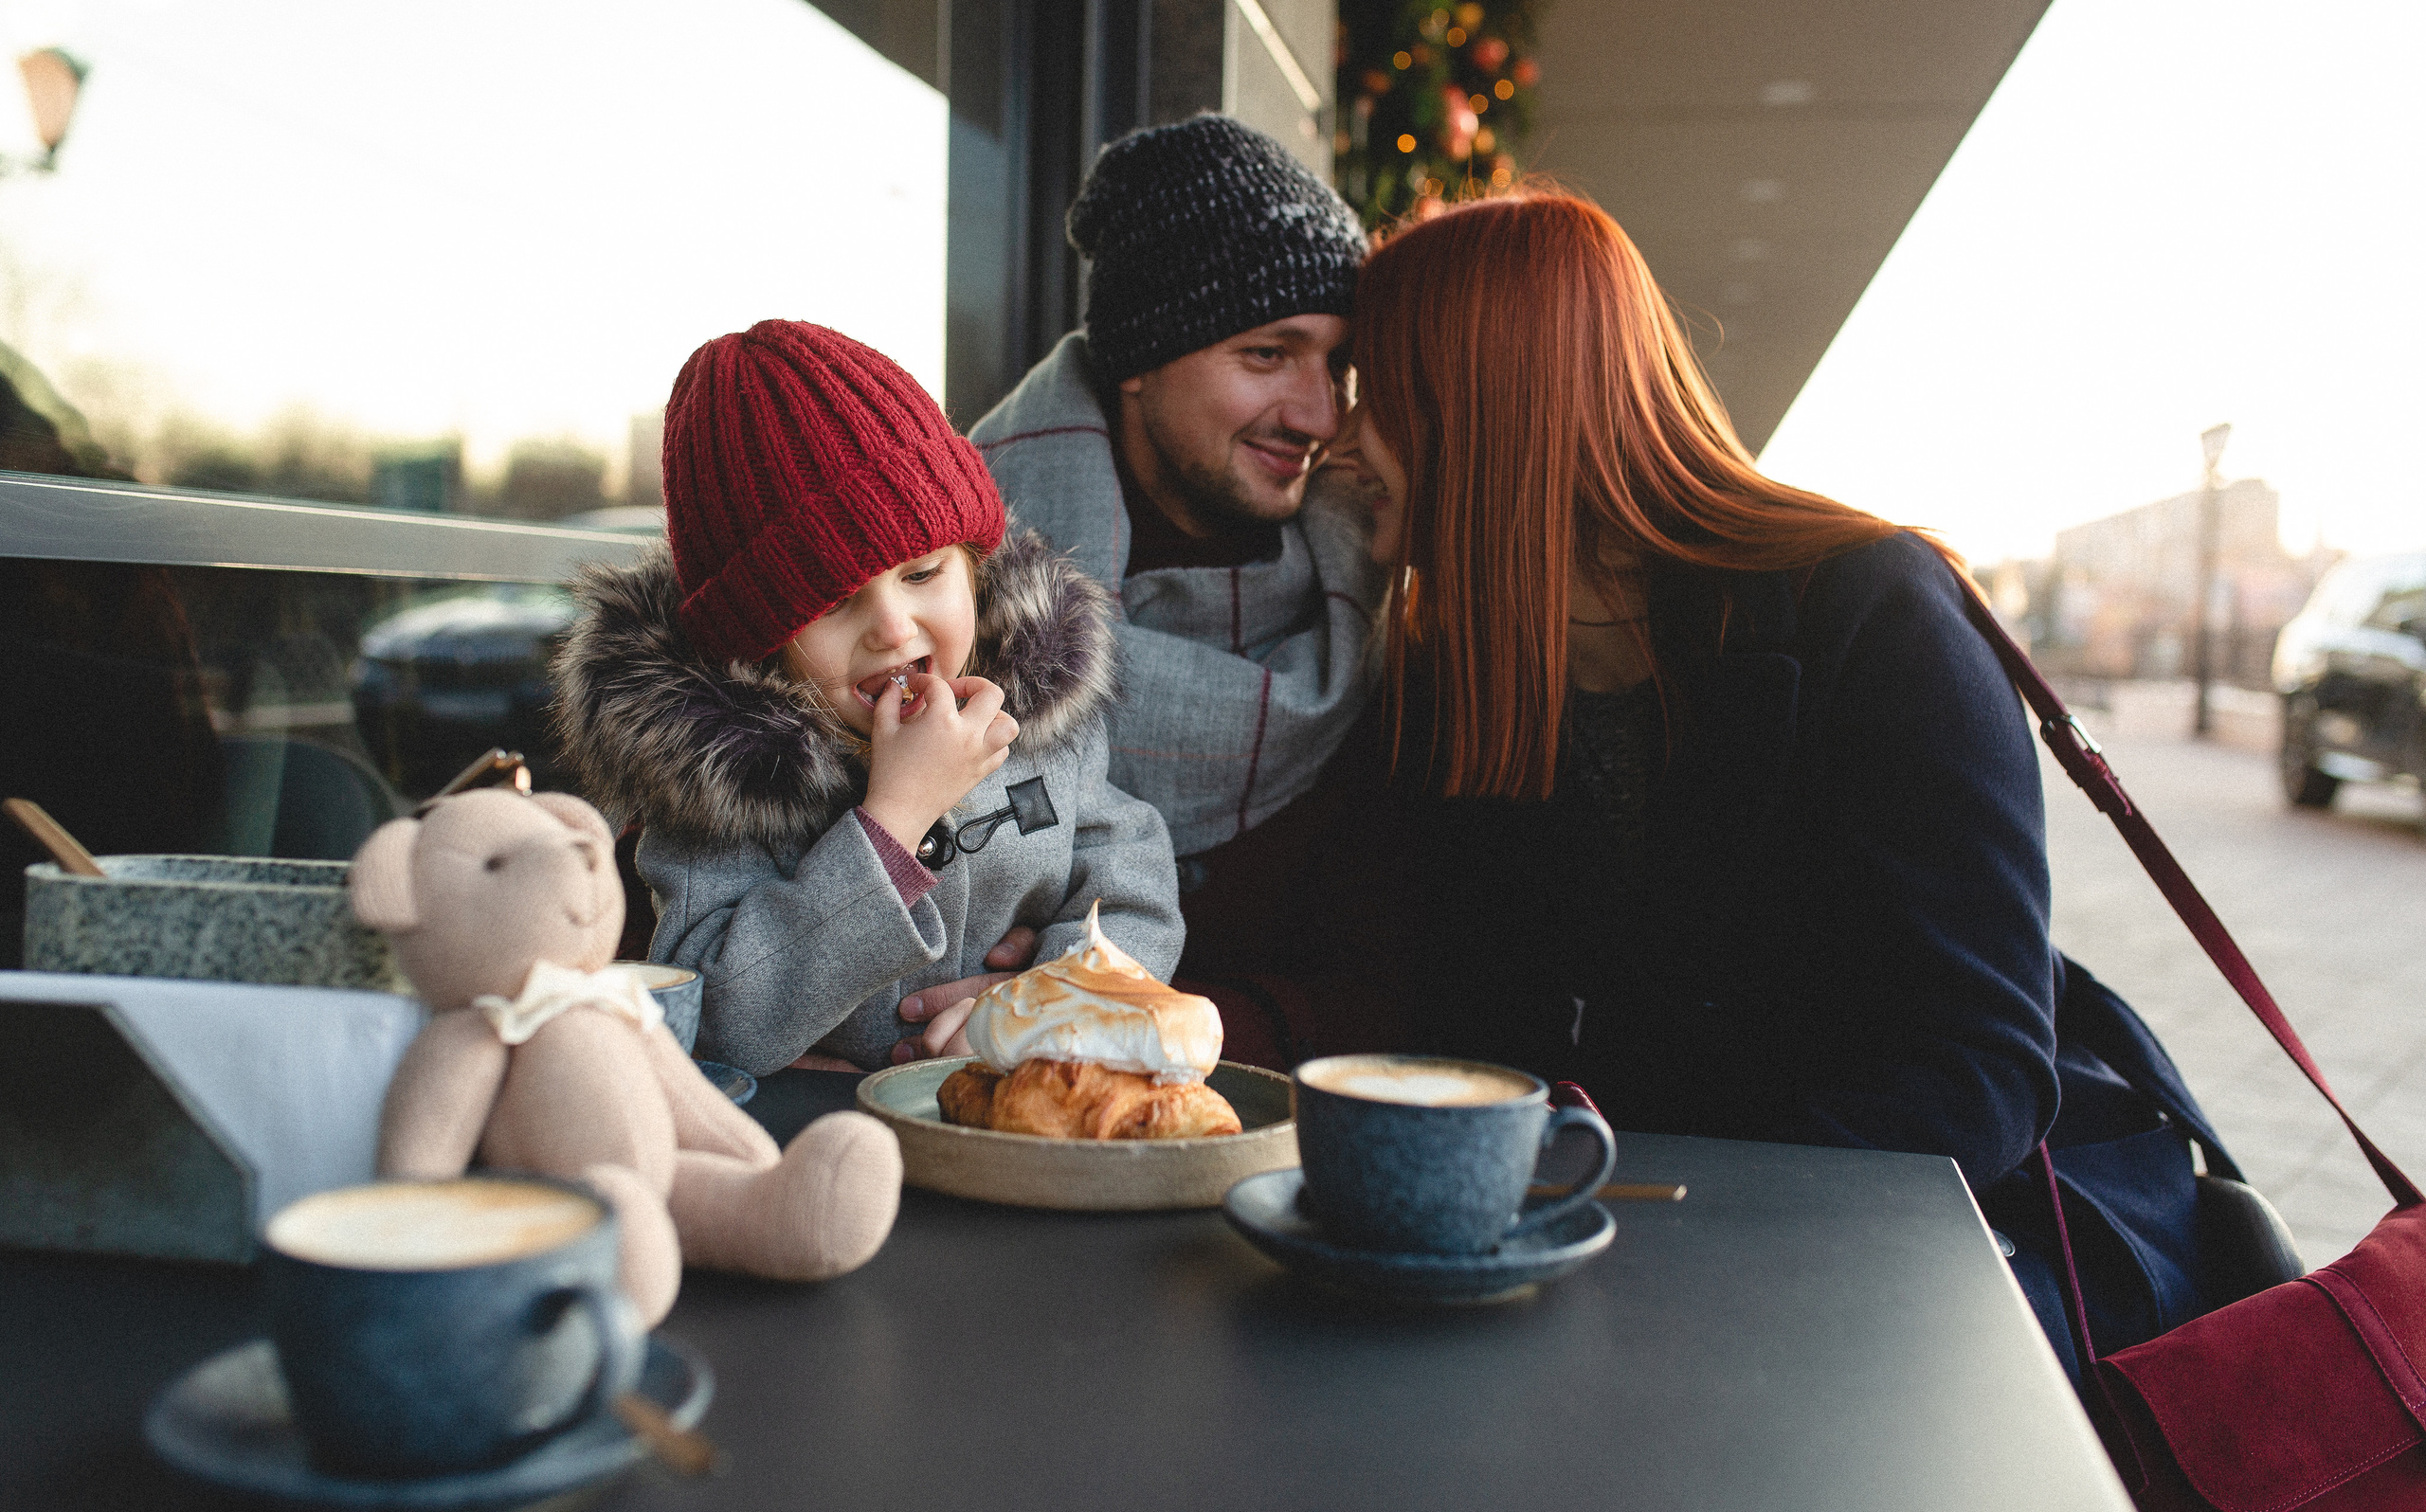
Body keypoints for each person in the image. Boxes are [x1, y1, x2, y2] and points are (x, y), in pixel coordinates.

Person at [1336, 188, 2221, 1381]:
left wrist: (1653, 1226)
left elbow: (1973, 1076)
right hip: (1623, 1273)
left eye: (1370, 395)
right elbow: (1473, 1027)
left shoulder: (1871, 612)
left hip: (1900, 1280)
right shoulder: (1459, 684)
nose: (1338, 443)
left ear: (1480, 401)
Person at [550, 320, 1183, 1077]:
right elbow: (714, 1020)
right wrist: (894, 822)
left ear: (974, 568)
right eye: (834, 601)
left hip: (1019, 1124)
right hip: (825, 1142)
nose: (892, 626)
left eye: (923, 575)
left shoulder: (1037, 717)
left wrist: (1052, 994)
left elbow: (1130, 877)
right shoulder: (723, 794)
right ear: (762, 641)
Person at [889, 114, 1386, 1063]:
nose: (1321, 412)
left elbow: (1392, 991)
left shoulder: (1364, 597)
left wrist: (1111, 1016)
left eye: (1337, 362)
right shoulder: (925, 578)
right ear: (1139, 365)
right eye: (1267, 355)